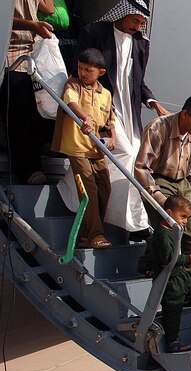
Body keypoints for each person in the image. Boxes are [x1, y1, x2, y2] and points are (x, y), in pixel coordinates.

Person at [76, 0, 167, 238]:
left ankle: (127, 219)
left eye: (142, 23)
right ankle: (134, 224)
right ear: (123, 14)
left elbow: (138, 82)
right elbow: (82, 72)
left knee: (138, 157)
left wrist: (154, 103)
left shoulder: (140, 44)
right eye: (135, 21)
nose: (138, 27)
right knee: (126, 153)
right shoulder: (95, 32)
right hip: (102, 105)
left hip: (128, 110)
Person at [134, 93, 191, 282]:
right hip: (158, 180)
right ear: (185, 114)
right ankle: (150, 264)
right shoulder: (158, 128)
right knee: (167, 228)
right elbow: (141, 168)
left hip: (182, 183)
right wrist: (159, 198)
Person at [50, 47, 116, 249]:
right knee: (89, 187)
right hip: (76, 147)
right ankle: (96, 235)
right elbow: (70, 101)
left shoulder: (105, 94)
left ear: (101, 73)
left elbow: (110, 120)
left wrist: (112, 137)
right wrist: (84, 117)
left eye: (88, 70)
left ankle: (88, 235)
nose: (83, 73)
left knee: (105, 188)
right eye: (81, 68)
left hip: (96, 149)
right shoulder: (73, 83)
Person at [148, 195, 191, 353]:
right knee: (173, 310)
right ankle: (172, 340)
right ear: (169, 213)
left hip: (178, 274)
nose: (185, 221)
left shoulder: (174, 229)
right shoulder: (163, 234)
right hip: (168, 278)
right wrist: (187, 259)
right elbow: (168, 259)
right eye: (182, 216)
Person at [2, 0, 56, 185]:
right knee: (18, 112)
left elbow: (49, 8)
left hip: (32, 53)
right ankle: (28, 169)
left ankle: (43, 146)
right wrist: (31, 24)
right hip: (8, 53)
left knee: (43, 103)